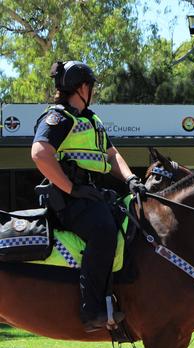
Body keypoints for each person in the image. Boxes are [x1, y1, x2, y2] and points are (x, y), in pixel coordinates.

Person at [31, 60, 147, 332]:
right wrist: (70, 188)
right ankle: (93, 310)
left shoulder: (91, 120)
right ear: (83, 87)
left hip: (90, 194)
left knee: (129, 222)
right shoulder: (59, 117)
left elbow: (111, 154)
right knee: (103, 231)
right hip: (67, 199)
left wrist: (130, 179)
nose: (92, 91)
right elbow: (40, 153)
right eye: (91, 86)